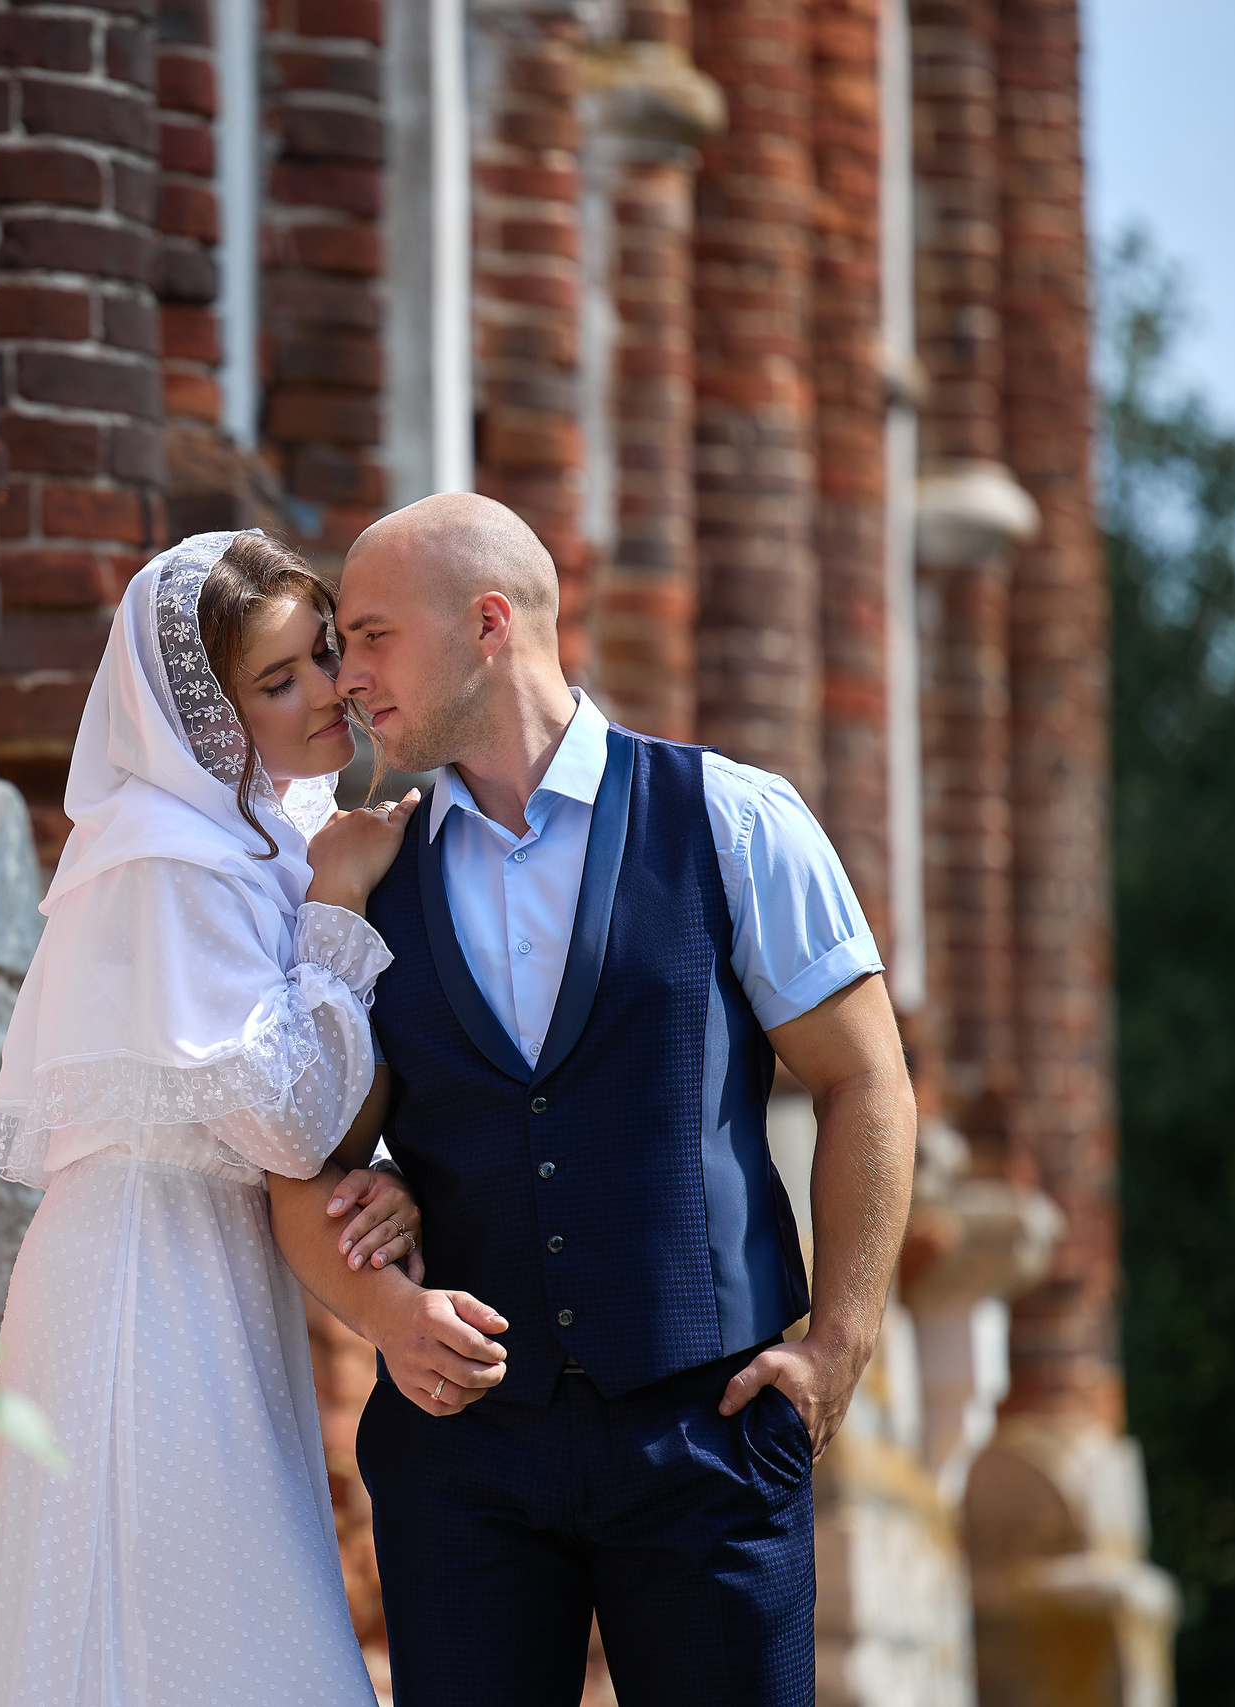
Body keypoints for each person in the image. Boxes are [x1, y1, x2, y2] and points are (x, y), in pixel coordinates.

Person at [266, 492, 920, 1705]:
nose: (343, 677)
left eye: (368, 636)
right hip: (462, 1459)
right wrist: (384, 1306)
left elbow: (864, 1079)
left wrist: (839, 1343)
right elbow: (309, 1155)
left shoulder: (730, 818)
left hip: (708, 1434)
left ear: (488, 624)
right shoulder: (366, 873)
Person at [0, 530, 488, 1707]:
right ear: (205, 718)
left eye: (323, 654)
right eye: (276, 680)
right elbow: (290, 1122)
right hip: (143, 1282)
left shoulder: (255, 844)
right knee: (190, 1633)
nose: (326, 693)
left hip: (209, 1267)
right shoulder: (171, 860)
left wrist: (391, 1162)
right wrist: (339, 902)